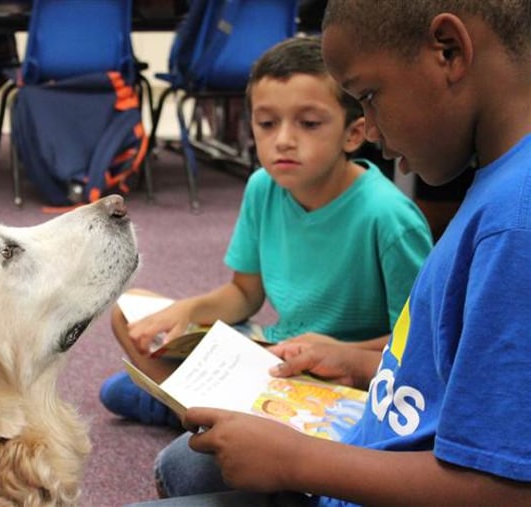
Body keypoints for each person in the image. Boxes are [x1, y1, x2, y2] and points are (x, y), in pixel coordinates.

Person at [126, 0, 531, 505]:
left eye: (369, 96)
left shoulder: (515, 223)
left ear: (448, 51)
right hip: (368, 431)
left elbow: (505, 488)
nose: (373, 132)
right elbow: (443, 364)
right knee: (188, 460)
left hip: (368, 473)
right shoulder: (499, 185)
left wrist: (296, 460)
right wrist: (358, 365)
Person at [100, 35, 433, 427]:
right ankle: (193, 411)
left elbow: (417, 349)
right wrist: (187, 310)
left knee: (125, 395)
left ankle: (199, 415)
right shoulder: (263, 187)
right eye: (267, 123)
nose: (284, 140)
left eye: (309, 124)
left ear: (353, 134)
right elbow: (244, 293)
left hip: (344, 373)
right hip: (274, 348)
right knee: (130, 308)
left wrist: (341, 351)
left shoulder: (389, 217)